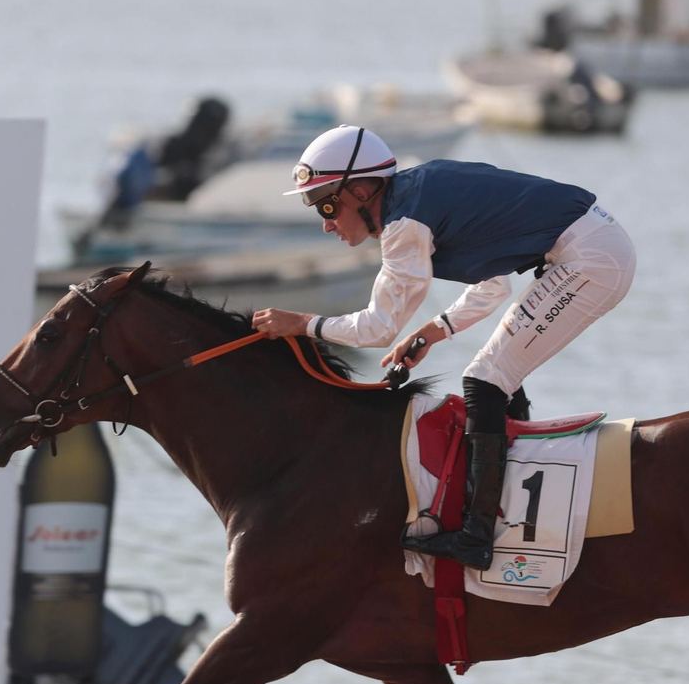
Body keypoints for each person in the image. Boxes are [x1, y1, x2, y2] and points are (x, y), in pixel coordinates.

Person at [252, 125, 636, 569]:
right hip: (588, 247)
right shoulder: (417, 196)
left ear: (359, 190)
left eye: (326, 203)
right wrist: (431, 332)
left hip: (590, 257)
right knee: (497, 377)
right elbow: (493, 285)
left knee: (486, 379)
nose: (325, 223)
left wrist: (302, 323)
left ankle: (477, 534)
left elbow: (377, 328)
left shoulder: (404, 224)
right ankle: (504, 499)